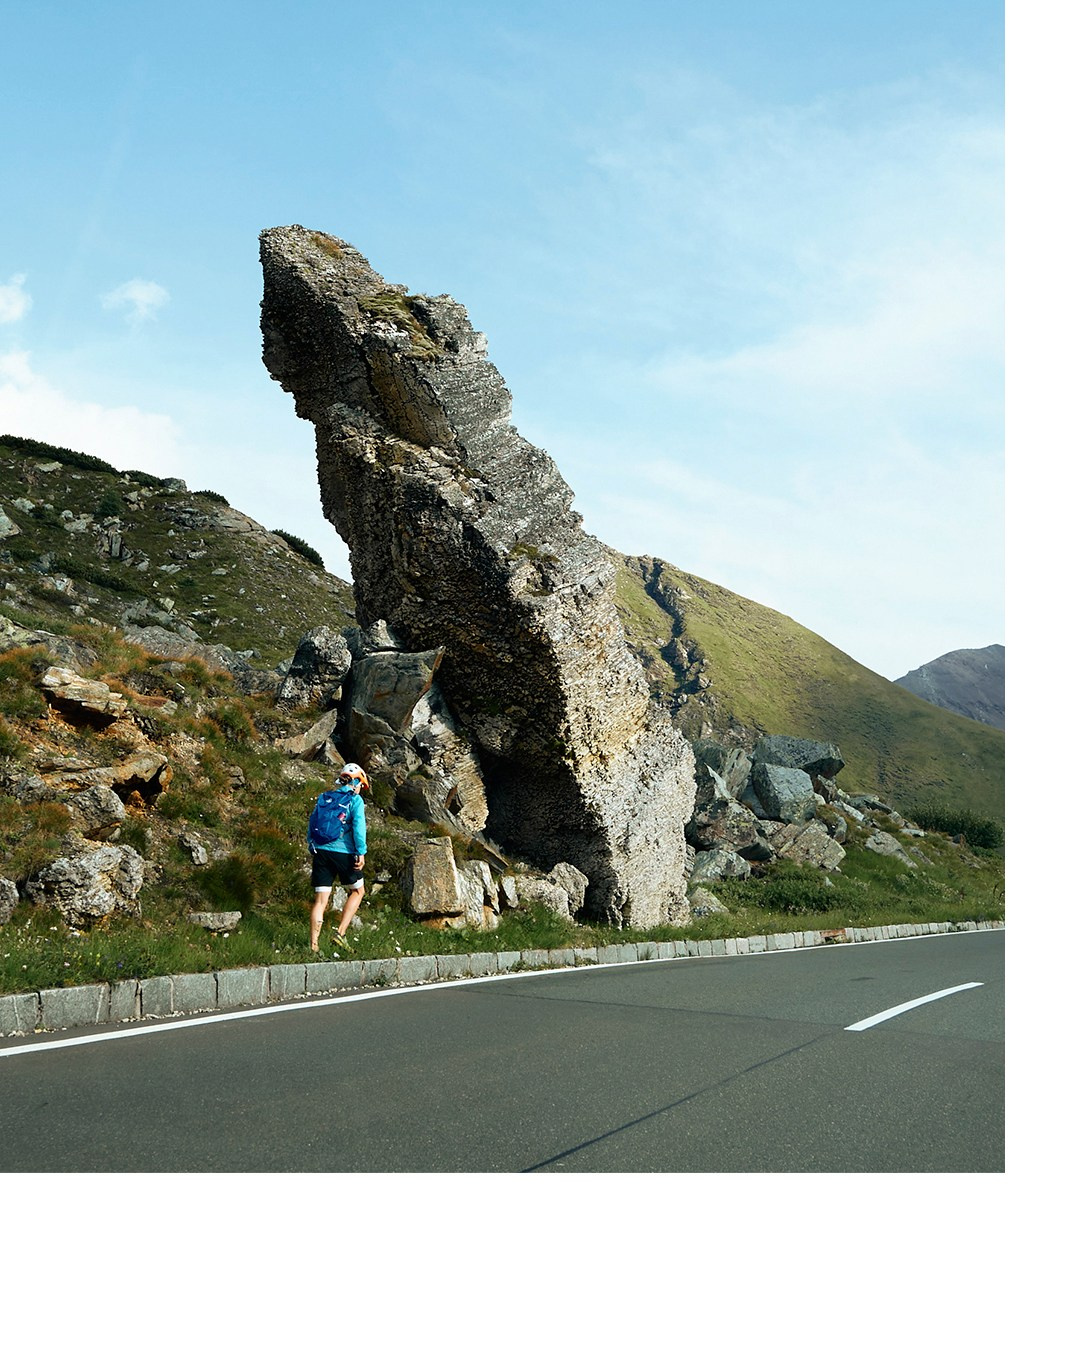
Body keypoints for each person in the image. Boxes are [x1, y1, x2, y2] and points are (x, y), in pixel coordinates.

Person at [308, 762, 369, 953]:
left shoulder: (324, 797)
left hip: (321, 851)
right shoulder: (355, 800)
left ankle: (313, 946)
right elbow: (359, 828)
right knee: (358, 891)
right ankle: (340, 934)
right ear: (357, 782)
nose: (361, 789)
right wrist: (361, 852)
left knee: (320, 901)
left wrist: (312, 845)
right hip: (344, 853)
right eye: (361, 785)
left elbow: (312, 823)